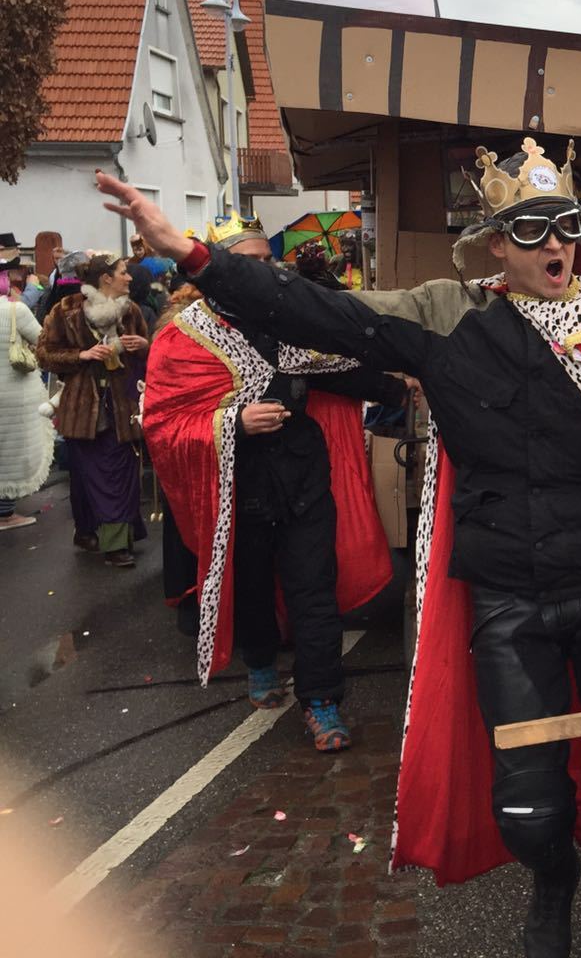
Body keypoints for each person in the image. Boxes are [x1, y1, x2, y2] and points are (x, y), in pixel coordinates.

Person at [97, 142, 581, 958]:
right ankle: (552, 887)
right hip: (506, 593)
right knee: (528, 802)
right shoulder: (446, 317)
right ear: (496, 245)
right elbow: (313, 311)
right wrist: (190, 254)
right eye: (531, 229)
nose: (555, 244)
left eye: (566, 227)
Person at [141, 213, 407, 752]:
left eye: (268, 260)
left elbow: (340, 366)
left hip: (304, 476)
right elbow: (163, 426)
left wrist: (405, 385)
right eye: (251, 262)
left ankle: (322, 701)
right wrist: (233, 422)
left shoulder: (292, 319)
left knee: (315, 590)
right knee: (253, 587)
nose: (266, 271)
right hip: (238, 487)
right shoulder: (181, 338)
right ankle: (261, 662)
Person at [36, 253, 149, 567]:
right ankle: (88, 530)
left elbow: (150, 354)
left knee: (119, 474)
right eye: (124, 272)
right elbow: (43, 354)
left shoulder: (131, 310)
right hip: (82, 409)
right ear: (106, 278)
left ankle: (116, 544)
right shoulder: (67, 310)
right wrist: (81, 355)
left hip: (124, 406)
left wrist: (144, 346)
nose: (130, 277)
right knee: (89, 476)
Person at [1, 276, 52, 532]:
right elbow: (43, 341)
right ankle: (5, 514)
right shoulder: (15, 310)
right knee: (12, 453)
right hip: (14, 394)